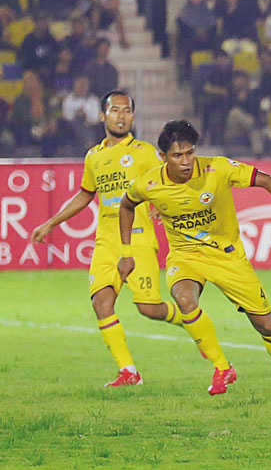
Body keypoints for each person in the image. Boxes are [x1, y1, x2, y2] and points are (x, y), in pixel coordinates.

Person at [117, 120, 271, 400]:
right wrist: (126, 252)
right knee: (185, 300)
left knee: (266, 325)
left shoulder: (217, 168)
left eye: (190, 153)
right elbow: (126, 205)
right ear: (162, 156)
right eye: (178, 155)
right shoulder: (149, 183)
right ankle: (222, 367)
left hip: (228, 258)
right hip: (185, 255)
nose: (186, 161)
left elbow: (264, 179)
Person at [31, 91, 183, 387]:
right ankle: (129, 371)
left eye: (127, 111)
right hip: (106, 243)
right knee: (101, 302)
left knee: (149, 309)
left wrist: (164, 209)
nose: (121, 116)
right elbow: (86, 194)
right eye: (115, 110)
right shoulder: (94, 157)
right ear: (103, 116)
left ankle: (191, 319)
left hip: (137, 241)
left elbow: (170, 181)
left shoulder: (144, 152)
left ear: (133, 117)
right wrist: (52, 222)